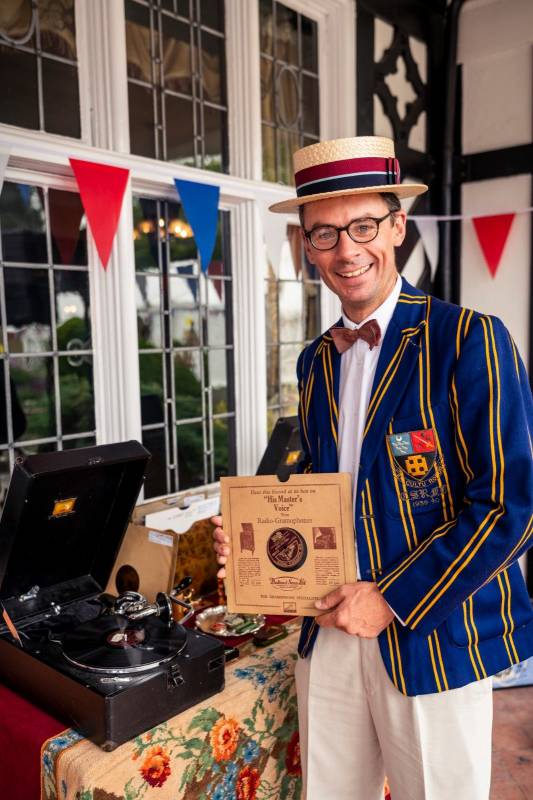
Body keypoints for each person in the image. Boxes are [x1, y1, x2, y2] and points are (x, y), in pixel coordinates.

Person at [212, 136, 533, 800]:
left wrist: (391, 598)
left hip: (433, 633)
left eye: (363, 226)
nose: (346, 250)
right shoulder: (315, 360)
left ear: (397, 226)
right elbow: (319, 485)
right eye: (324, 234)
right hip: (327, 626)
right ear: (306, 246)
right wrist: (254, 543)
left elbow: (510, 504)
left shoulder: (469, 339)